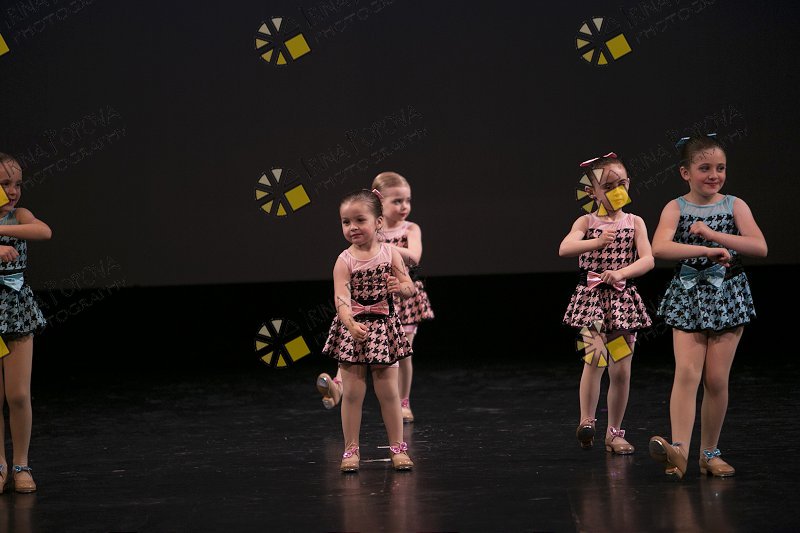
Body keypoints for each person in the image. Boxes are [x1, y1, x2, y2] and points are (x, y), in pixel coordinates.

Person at [648, 135, 767, 479]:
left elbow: (759, 247)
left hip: (726, 295)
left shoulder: (734, 205)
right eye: (704, 168)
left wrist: (714, 236)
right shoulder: (675, 208)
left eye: (720, 168)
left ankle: (709, 453)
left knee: (715, 379)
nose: (714, 175)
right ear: (685, 172)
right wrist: (703, 249)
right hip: (688, 295)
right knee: (687, 373)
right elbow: (659, 247)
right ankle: (680, 451)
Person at [560, 152, 654, 454]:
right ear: (593, 192)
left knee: (622, 370)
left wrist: (622, 273)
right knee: (594, 360)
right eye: (608, 186)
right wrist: (596, 242)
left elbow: (648, 259)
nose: (616, 190)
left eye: (621, 183)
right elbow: (565, 247)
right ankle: (586, 421)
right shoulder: (586, 221)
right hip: (593, 302)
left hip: (622, 303)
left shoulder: (634, 222)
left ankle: (615, 433)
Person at [321, 189, 415, 472]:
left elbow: (409, 287)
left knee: (389, 394)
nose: (352, 227)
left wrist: (401, 287)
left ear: (378, 222)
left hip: (383, 329)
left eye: (359, 220)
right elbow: (341, 298)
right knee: (352, 395)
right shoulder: (344, 260)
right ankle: (351, 450)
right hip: (354, 329)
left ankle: (398, 448)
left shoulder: (390, 254)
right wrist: (350, 324)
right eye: (346, 222)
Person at [0, 153, 52, 494]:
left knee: (17, 394)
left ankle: (21, 463)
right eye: (5, 184)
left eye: (18, 184)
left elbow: (43, 231)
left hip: (16, 310)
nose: (13, 191)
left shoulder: (19, 216)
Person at [372, 171, 433, 423]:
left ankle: (403, 401)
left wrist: (382, 246)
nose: (404, 206)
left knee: (404, 352)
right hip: (377, 297)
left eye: (407, 200)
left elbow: (414, 256)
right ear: (379, 201)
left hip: (405, 297)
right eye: (397, 201)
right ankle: (340, 385)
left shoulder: (410, 228)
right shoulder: (371, 230)